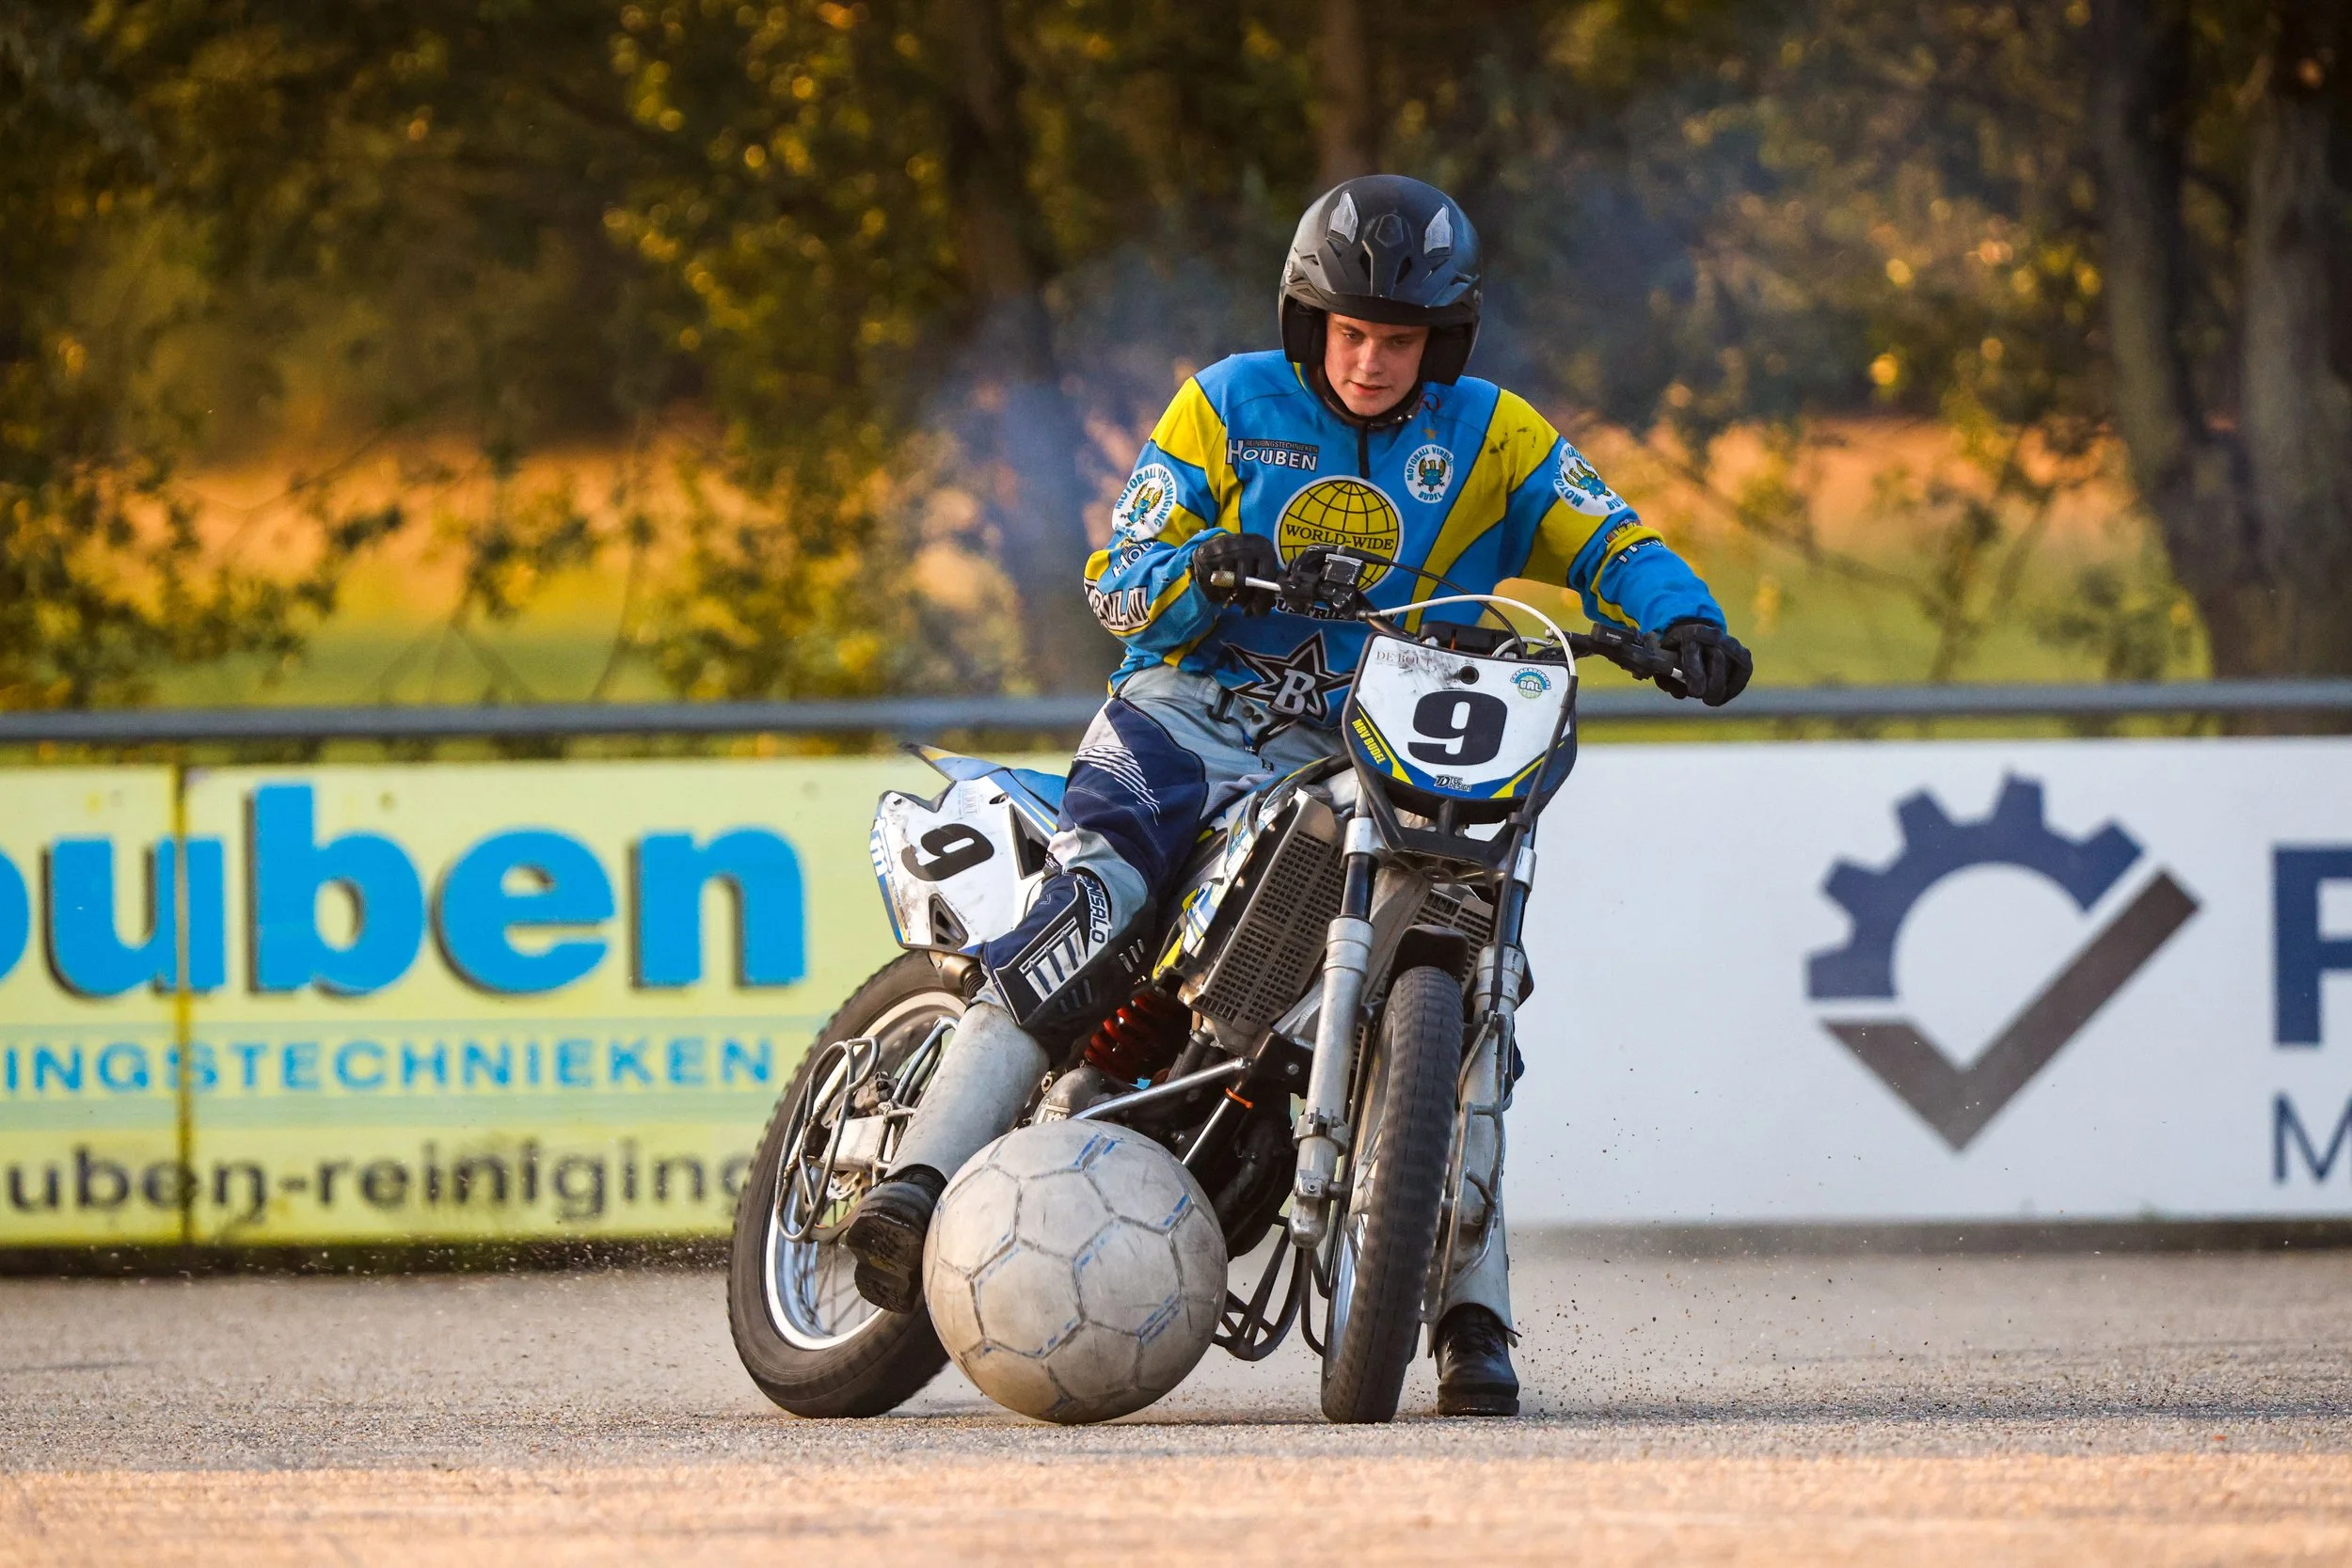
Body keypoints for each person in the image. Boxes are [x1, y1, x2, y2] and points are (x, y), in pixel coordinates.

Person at [843, 175, 1751, 1416]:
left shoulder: (1496, 434)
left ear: (1445, 339)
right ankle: (916, 1181)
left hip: (1384, 733)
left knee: (1473, 978)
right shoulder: (1222, 404)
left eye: (1402, 337)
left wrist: (1684, 621)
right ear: (1307, 322)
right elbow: (1119, 583)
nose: (1374, 360)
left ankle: (1470, 1316)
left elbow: (1611, 539)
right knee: (1093, 908)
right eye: (1353, 331)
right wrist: (1201, 568)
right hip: (1188, 718)